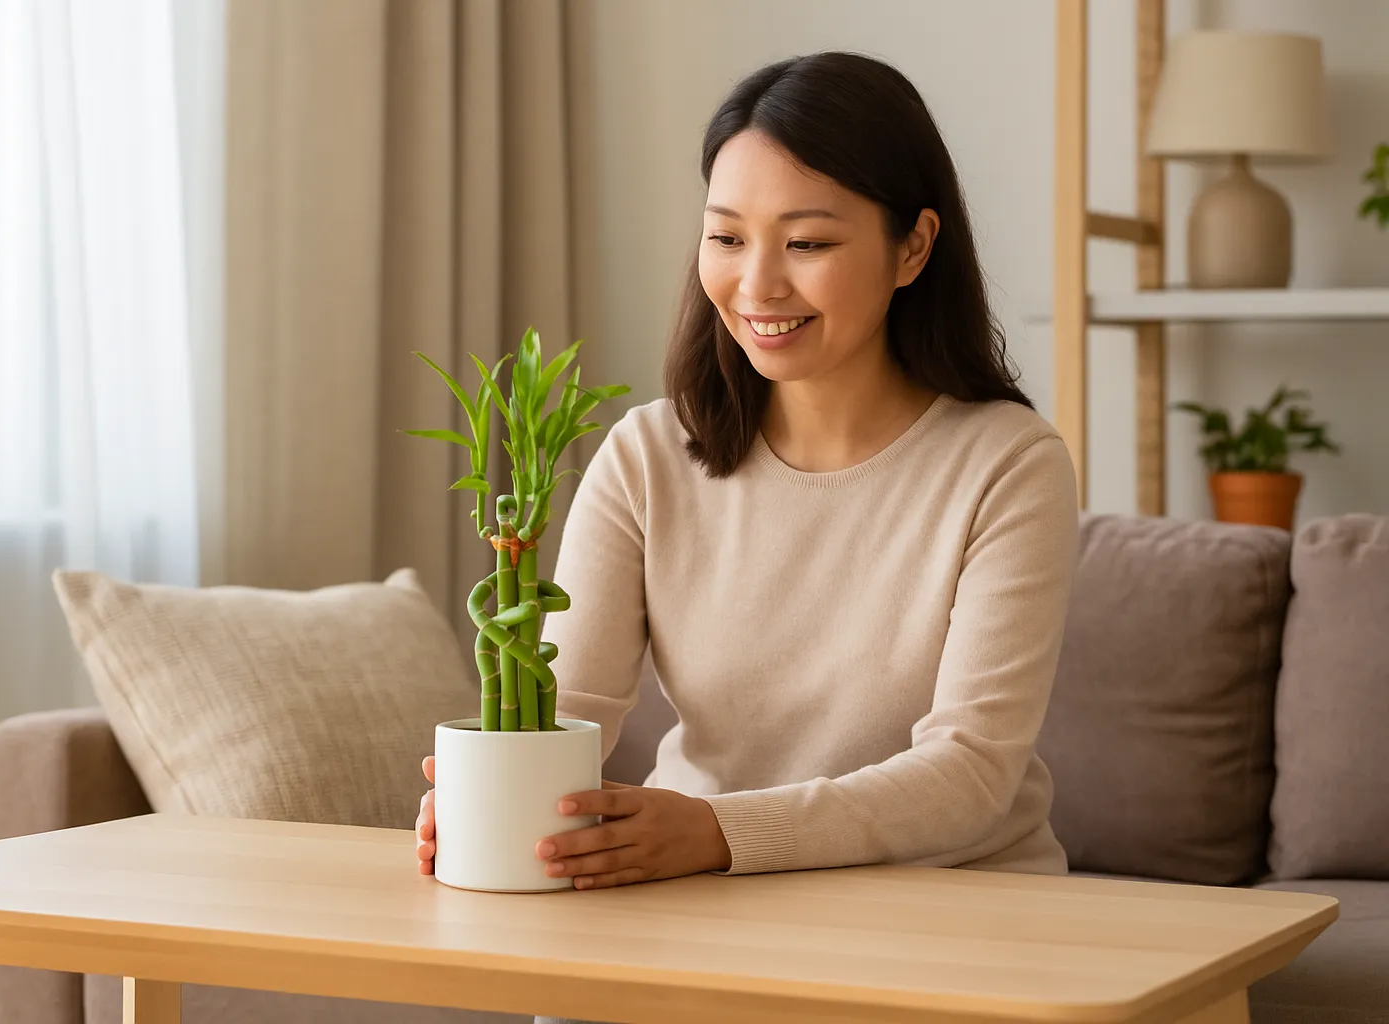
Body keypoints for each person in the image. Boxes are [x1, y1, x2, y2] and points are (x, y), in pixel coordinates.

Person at [415, 49, 1081, 1022]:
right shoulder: (647, 453)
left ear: (912, 246)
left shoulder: (1008, 463)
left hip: (947, 908)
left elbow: (972, 771)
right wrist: (492, 795)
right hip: (697, 902)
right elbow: (576, 705)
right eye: (727, 237)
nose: (757, 284)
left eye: (807, 243)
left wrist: (720, 832)